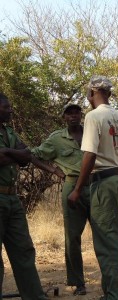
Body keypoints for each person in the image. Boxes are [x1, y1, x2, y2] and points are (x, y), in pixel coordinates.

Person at [67, 75, 118, 300]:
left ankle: (116, 295)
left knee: (106, 240)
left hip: (103, 181)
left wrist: (77, 188)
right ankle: (114, 289)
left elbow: (89, 154)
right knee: (114, 237)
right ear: (110, 94)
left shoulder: (94, 116)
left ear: (91, 93)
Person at [31, 103, 89, 296]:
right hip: (71, 186)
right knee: (72, 237)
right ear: (64, 117)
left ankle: (113, 279)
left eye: (76, 112)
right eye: (69, 113)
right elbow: (34, 155)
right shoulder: (56, 139)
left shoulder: (92, 132)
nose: (73, 116)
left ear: (81, 114)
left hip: (96, 185)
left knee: (105, 235)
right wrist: (55, 171)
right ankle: (78, 282)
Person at [0, 93, 47, 299]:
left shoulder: (9, 131)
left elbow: (26, 155)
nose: (11, 110)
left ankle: (34, 296)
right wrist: (13, 154)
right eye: (6, 107)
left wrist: (8, 152)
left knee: (24, 250)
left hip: (13, 199)